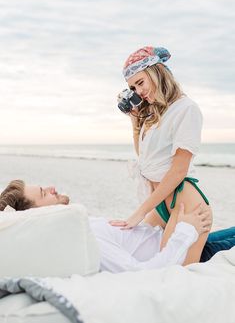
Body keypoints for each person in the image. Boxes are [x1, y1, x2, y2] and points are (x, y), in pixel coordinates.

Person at [111, 46, 212, 265]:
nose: (138, 92)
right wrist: (135, 121)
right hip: (160, 206)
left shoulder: (186, 109)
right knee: (151, 259)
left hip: (185, 203)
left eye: (140, 83)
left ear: (156, 73)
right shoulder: (154, 114)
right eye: (132, 87)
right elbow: (146, 160)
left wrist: (139, 213)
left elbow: (178, 170)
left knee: (172, 272)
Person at [0, 180, 235, 272]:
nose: (51, 187)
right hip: (190, 251)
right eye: (43, 193)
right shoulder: (84, 242)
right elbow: (142, 273)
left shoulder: (80, 224)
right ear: (40, 212)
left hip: (173, 236)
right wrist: (185, 231)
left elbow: (131, 241)